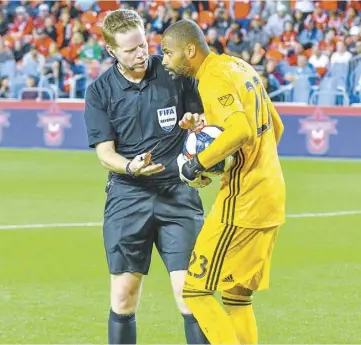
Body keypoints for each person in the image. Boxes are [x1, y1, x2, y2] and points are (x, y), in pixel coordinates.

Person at [83, 9, 209, 345]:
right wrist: (130, 166)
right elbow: (105, 154)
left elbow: (202, 118)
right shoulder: (99, 91)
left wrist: (196, 124)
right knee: (124, 295)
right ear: (112, 51)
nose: (141, 53)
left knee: (190, 294)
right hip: (129, 196)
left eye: (143, 44)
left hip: (177, 193)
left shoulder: (175, 74)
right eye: (130, 49)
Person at [161, 19, 286, 344]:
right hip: (272, 194)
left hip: (243, 202)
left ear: (190, 50)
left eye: (167, 53)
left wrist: (197, 164)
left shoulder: (212, 79)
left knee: (195, 291)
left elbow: (240, 131)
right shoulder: (239, 67)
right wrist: (217, 140)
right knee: (236, 295)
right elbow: (276, 126)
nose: (164, 61)